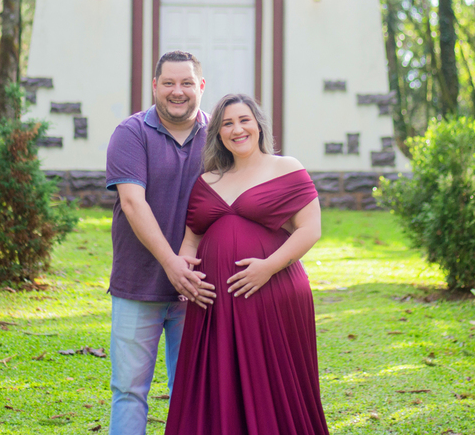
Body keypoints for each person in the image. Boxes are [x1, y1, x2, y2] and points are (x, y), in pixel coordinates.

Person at [165, 93, 329, 435]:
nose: (237, 129)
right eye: (227, 123)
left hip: (272, 293)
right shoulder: (208, 180)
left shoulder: (286, 168)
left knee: (272, 383)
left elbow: (310, 229)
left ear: (258, 125)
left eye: (244, 120)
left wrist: (268, 267)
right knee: (217, 386)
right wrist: (185, 274)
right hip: (212, 303)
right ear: (218, 134)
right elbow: (192, 238)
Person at [105, 51, 217, 435]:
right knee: (129, 391)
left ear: (201, 86)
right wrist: (171, 262)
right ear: (154, 86)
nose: (177, 91)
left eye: (186, 82)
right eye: (168, 83)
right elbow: (133, 204)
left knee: (192, 392)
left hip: (200, 289)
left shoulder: (220, 137)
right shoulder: (130, 133)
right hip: (138, 286)